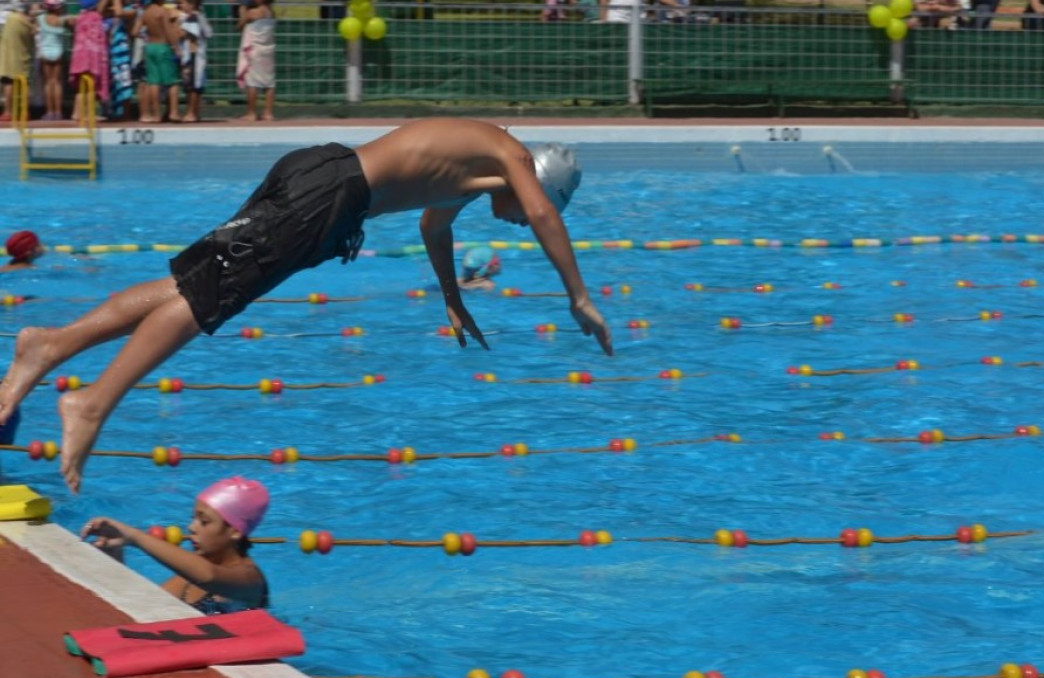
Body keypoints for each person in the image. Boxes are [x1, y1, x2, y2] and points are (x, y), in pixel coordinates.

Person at [0, 118, 613, 494]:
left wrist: (453, 299)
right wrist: (578, 297)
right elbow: (535, 213)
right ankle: (93, 403)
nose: (526, 218)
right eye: (548, 204)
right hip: (330, 197)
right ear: (541, 181)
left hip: (323, 176)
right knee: (203, 300)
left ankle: (50, 345)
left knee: (195, 282)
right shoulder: (508, 157)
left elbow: (434, 225)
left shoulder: (476, 162)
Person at [81, 476, 270, 615]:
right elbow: (140, 606)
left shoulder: (249, 579)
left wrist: (134, 537)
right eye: (193, 518)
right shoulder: (189, 574)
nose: (191, 527)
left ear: (235, 531)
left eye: (204, 522)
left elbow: (209, 576)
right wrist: (115, 554)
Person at [133, 0, 180, 122]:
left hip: (150, 47)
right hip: (163, 46)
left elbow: (135, 32)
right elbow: (168, 31)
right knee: (172, 82)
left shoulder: (145, 12)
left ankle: (156, 114)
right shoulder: (162, 12)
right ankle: (174, 112)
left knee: (153, 82)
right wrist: (176, 47)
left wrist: (145, 37)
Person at [68, 0, 110, 124]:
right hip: (91, 55)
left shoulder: (80, 17)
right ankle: (88, 113)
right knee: (91, 86)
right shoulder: (96, 17)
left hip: (79, 54)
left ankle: (76, 113)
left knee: (81, 87)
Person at [236, 0, 275, 121]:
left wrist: (243, 7)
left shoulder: (254, 12)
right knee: (269, 83)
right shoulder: (271, 12)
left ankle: (251, 113)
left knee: (252, 82)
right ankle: (268, 113)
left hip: (256, 50)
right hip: (268, 50)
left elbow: (240, 25)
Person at [176, 0, 212, 123]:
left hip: (193, 55)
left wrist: (175, 26)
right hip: (197, 55)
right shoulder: (199, 17)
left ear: (191, 5)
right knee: (196, 85)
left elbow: (182, 34)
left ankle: (191, 112)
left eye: (184, 3)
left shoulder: (193, 18)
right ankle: (195, 113)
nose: (181, 6)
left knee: (192, 86)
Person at [37, 0, 73, 122]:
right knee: (56, 82)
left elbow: (34, 29)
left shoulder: (40, 18)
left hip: (45, 51)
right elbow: (73, 20)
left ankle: (49, 111)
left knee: (48, 83)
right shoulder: (61, 20)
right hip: (58, 51)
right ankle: (58, 112)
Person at [0, 0, 33, 123]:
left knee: (9, 84)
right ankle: (24, 112)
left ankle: (8, 112)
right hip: (24, 57)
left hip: (8, 58)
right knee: (24, 85)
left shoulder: (9, 19)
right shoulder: (28, 22)